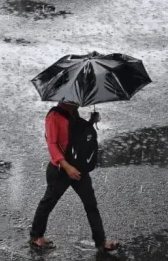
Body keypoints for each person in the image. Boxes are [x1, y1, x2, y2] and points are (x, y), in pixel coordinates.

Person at [29, 102, 119, 252]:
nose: (77, 102)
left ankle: (101, 242)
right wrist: (66, 166)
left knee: (91, 204)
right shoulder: (53, 116)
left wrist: (91, 121)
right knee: (48, 203)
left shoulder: (73, 112)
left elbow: (78, 137)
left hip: (78, 167)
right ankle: (36, 237)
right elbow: (52, 144)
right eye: (74, 100)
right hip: (60, 170)